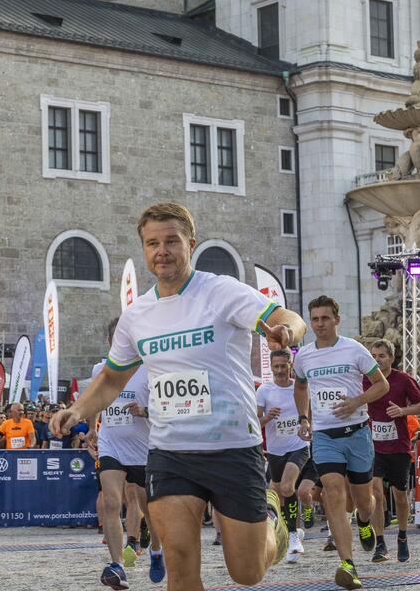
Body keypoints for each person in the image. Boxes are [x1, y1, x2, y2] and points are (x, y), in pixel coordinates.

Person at [50, 202, 307, 591]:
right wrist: (77, 409)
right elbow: (111, 379)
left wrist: (286, 331)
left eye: (171, 241)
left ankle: (273, 519)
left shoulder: (220, 291)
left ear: (190, 243)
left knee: (247, 572)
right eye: (153, 243)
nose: (162, 251)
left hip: (233, 448)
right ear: (144, 249)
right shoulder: (138, 315)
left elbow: (288, 317)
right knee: (181, 564)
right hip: (171, 454)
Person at [294, 296, 388, 590]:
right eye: (315, 319)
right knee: (333, 493)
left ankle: (363, 521)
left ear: (337, 319)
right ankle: (347, 563)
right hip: (324, 436)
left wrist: (357, 401)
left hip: (357, 433)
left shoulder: (354, 349)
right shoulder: (304, 356)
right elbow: (300, 386)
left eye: (325, 318)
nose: (320, 324)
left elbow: (381, 384)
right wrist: (303, 418)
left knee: (363, 501)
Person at [85, 316, 164, 587]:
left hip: (142, 448)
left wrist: (145, 411)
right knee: (110, 501)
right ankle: (117, 565)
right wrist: (92, 428)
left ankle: (155, 548)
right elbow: (94, 399)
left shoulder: (149, 370)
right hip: (111, 443)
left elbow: (165, 407)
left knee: (147, 507)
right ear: (111, 342)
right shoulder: (101, 370)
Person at [365, 339, 420, 565]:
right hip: (373, 446)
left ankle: (402, 536)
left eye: (381, 356)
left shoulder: (403, 379)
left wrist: (403, 410)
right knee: (375, 492)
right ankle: (380, 542)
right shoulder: (365, 379)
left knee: (400, 496)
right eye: (373, 356)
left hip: (399, 446)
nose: (377, 360)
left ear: (391, 358)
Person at [256, 348, 311, 563]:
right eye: (275, 366)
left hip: (298, 446)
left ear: (291, 365)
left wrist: (307, 426)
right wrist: (267, 418)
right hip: (275, 451)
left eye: (283, 366)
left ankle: (293, 538)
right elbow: (255, 422)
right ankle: (293, 530)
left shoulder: (299, 387)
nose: (279, 370)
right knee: (279, 494)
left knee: (288, 487)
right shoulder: (264, 391)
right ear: (271, 366)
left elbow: (310, 412)